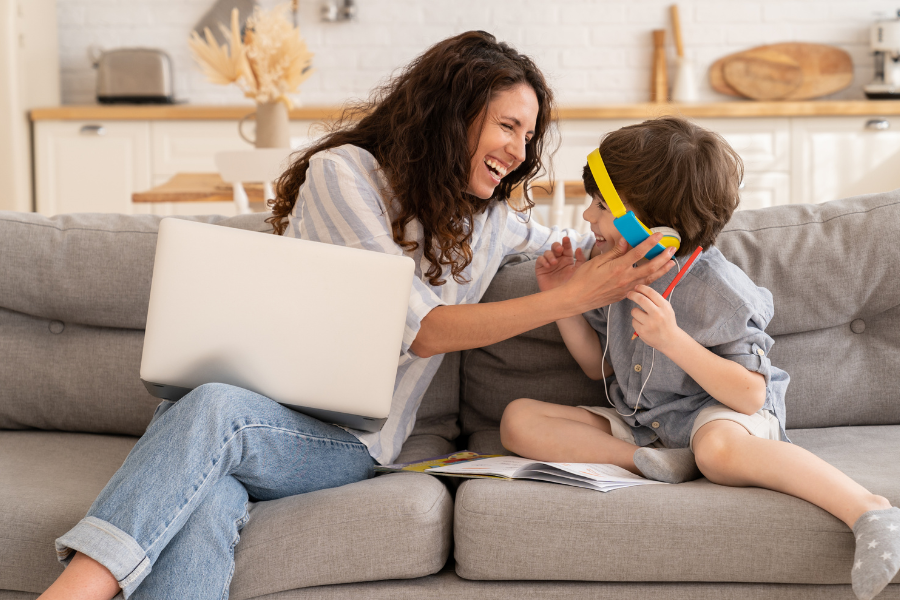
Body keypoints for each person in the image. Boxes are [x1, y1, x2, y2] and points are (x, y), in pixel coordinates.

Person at [38, 32, 677, 600]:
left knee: (210, 410)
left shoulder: (492, 222)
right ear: (453, 115)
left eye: (528, 135)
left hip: (344, 444)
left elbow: (573, 242)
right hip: (249, 416)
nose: (520, 149)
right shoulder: (345, 178)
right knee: (206, 497)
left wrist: (641, 235)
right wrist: (572, 296)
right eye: (508, 126)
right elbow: (421, 330)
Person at [499, 116, 900, 600]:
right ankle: (652, 462)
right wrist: (562, 298)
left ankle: (869, 509)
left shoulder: (718, 288)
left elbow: (751, 395)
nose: (587, 218)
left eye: (602, 206)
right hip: (653, 425)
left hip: (725, 417)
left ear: (649, 223)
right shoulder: (612, 274)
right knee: (518, 419)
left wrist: (672, 340)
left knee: (715, 451)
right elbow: (597, 367)